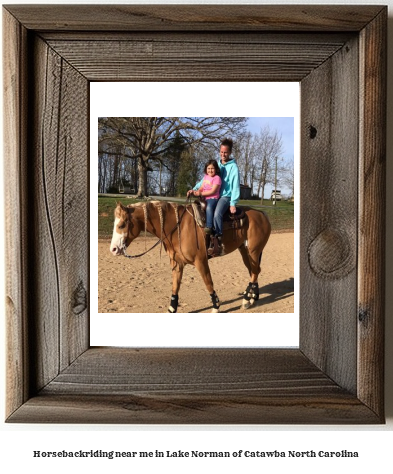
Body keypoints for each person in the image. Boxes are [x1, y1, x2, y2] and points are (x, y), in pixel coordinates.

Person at [211, 138, 240, 256]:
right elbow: (207, 179)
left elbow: (235, 186)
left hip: (225, 197)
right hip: (215, 194)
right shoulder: (216, 164)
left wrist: (233, 203)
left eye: (226, 152)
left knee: (217, 213)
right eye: (221, 152)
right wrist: (196, 188)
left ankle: (218, 239)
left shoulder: (233, 168)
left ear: (230, 153)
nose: (223, 154)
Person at [187, 159, 222, 235]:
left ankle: (209, 226)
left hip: (213, 198)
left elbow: (213, 191)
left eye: (212, 168)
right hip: (204, 198)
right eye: (208, 168)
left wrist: (201, 194)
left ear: (216, 169)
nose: (210, 170)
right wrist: (197, 191)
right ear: (206, 169)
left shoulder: (217, 178)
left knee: (209, 207)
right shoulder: (206, 177)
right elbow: (202, 187)